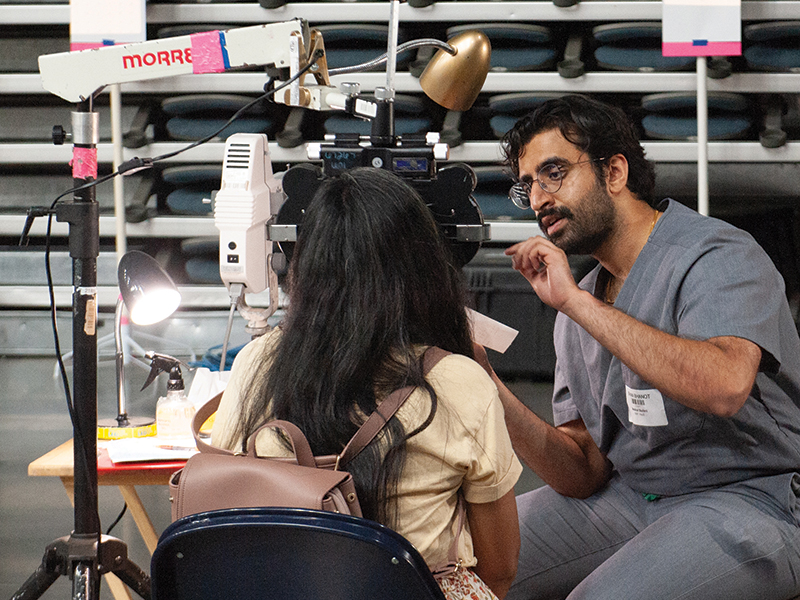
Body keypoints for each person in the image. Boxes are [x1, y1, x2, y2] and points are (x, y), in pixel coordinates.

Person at [474, 94, 800, 600]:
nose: (537, 198)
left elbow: (723, 386)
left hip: (753, 498)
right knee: (459, 556)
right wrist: (486, 383)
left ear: (615, 172)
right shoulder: (579, 302)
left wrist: (578, 307)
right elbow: (582, 471)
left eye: (553, 173)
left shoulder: (715, 254)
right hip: (632, 496)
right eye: (527, 185)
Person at [211, 167, 522, 600]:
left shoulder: (258, 363)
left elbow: (215, 508)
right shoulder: (460, 381)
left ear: (305, 263)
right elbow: (500, 567)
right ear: (426, 268)